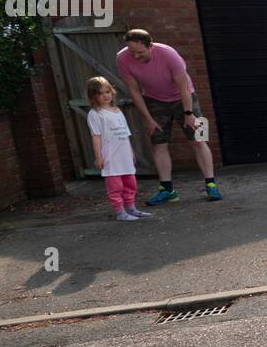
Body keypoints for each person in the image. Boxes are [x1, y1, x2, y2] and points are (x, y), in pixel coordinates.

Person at [115, 29, 222, 204]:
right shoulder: (122, 58)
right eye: (131, 51)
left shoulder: (169, 54)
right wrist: (148, 118)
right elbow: (134, 91)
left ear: (151, 46)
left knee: (199, 139)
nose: (135, 56)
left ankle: (211, 185)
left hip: (186, 98)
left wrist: (189, 114)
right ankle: (167, 190)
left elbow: (184, 86)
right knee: (158, 144)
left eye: (140, 52)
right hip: (154, 100)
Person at [86, 77, 150, 222]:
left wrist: (131, 152)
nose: (105, 95)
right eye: (100, 93)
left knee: (130, 182)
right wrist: (98, 157)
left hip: (125, 154)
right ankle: (120, 212)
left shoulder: (117, 111)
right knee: (115, 186)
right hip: (110, 156)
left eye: (107, 91)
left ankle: (131, 208)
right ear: (93, 95)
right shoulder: (95, 114)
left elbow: (126, 134)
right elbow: (96, 136)